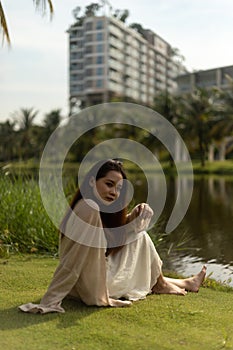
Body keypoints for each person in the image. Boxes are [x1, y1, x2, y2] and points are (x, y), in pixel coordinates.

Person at [19, 159, 206, 314]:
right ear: (92, 181)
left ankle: (182, 282)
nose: (114, 193)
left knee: (138, 236)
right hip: (91, 285)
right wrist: (51, 299)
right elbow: (72, 260)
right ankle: (162, 284)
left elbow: (107, 241)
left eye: (118, 188)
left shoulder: (92, 207)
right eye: (109, 184)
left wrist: (133, 217)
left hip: (85, 282)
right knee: (140, 237)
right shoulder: (89, 207)